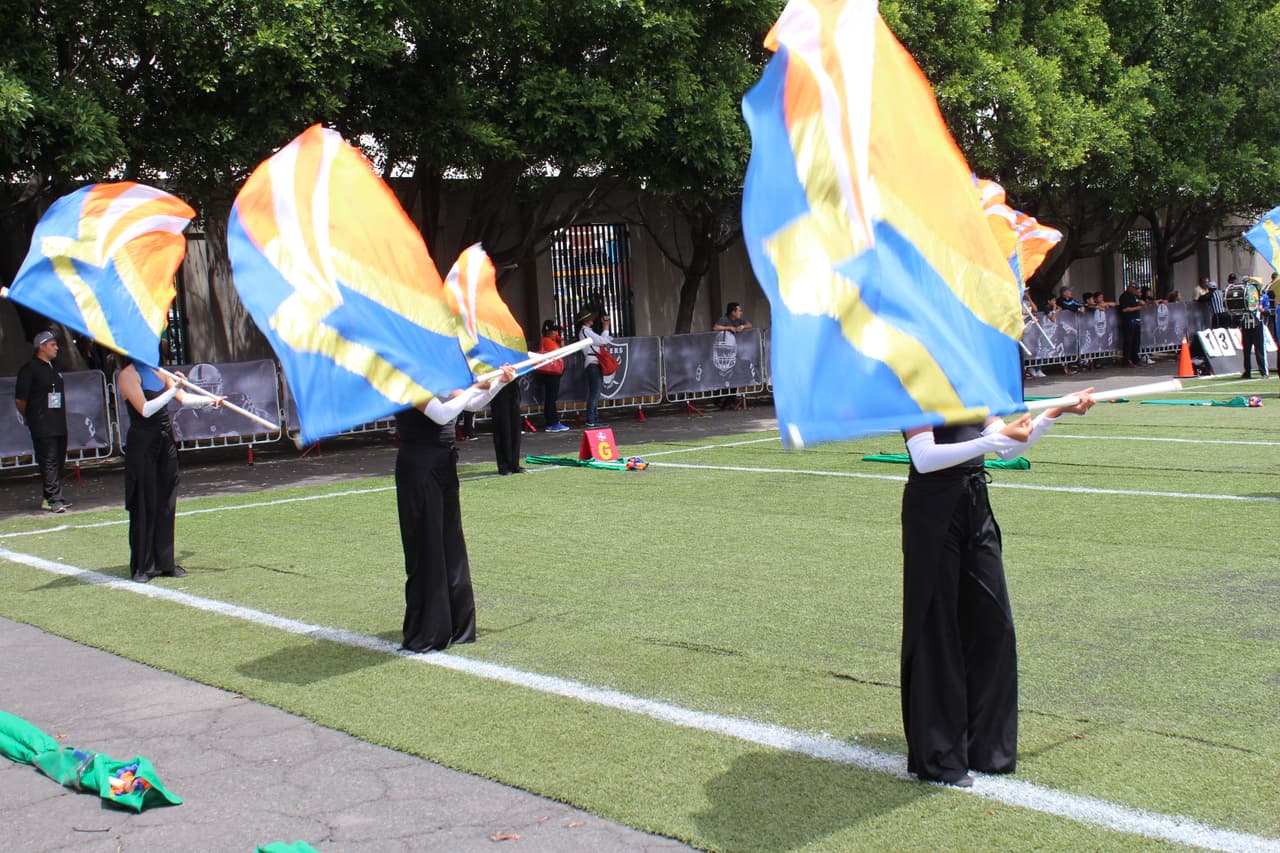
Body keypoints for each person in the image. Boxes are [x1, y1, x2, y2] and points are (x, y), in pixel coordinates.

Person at [900, 388, 1097, 787]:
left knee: (994, 625)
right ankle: (939, 756)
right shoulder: (915, 382)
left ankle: (986, 747)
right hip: (932, 509)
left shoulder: (974, 382)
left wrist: (1055, 411)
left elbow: (1008, 448)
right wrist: (992, 439)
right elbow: (923, 457)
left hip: (975, 501)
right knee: (938, 630)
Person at [395, 365, 516, 653]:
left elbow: (472, 404)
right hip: (419, 466)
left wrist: (499, 382)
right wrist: (477, 385)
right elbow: (441, 413)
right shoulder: (404, 373)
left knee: (451, 546)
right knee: (426, 548)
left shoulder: (438, 372)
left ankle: (457, 625)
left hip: (444, 464)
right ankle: (428, 630)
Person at [117, 360, 224, 583]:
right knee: (145, 502)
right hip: (143, 444)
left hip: (165, 441)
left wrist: (210, 401)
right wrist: (174, 389)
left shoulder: (158, 371)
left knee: (166, 501)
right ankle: (142, 567)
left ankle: (166, 562)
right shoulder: (127, 375)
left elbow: (182, 399)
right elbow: (146, 410)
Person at [14, 331, 70, 512]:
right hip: (42, 422)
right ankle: (55, 499)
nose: (56, 348)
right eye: (52, 344)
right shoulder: (29, 369)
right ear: (42, 346)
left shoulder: (54, 367)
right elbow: (20, 400)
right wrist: (29, 416)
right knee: (49, 460)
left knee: (59, 459)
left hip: (58, 421)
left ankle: (49, 497)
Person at [578, 309, 612, 428]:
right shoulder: (585, 331)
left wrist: (606, 327)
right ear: (587, 320)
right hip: (592, 362)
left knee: (595, 393)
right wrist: (606, 328)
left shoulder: (586, 331)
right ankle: (591, 419)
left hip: (593, 362)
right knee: (595, 393)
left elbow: (600, 341)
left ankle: (593, 418)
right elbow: (602, 341)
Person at [534, 320, 569, 433]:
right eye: (554, 330)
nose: (556, 332)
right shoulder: (547, 341)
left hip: (551, 373)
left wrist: (559, 340)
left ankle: (553, 422)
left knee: (551, 398)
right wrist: (560, 342)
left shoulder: (549, 340)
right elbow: (560, 353)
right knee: (551, 398)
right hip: (551, 373)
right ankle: (552, 422)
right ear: (547, 330)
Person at [489, 375, 524, 475]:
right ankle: (504, 465)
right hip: (498, 383)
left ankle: (514, 464)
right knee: (502, 426)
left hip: (513, 383)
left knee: (515, 426)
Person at [1239, 278, 1268, 379]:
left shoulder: (1263, 297)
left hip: (1257, 325)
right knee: (1246, 350)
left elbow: (1267, 312)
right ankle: (1247, 372)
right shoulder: (1245, 297)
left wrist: (1262, 309)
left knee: (1259, 350)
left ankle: (1263, 372)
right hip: (1246, 325)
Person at [1118, 281, 1144, 366]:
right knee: (1128, 341)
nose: (1136, 290)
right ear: (1130, 287)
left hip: (1136, 321)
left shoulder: (1135, 296)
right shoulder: (1124, 296)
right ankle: (1126, 360)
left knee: (1136, 341)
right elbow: (1125, 309)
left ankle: (1135, 359)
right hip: (1129, 321)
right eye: (1135, 289)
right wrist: (1138, 307)